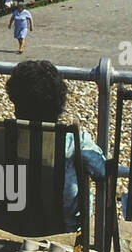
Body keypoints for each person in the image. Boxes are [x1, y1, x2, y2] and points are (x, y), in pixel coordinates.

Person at [6, 59, 106, 236]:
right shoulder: (73, 141)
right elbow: (102, 171)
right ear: (58, 104)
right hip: (62, 225)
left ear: (15, 102)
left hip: (8, 220)